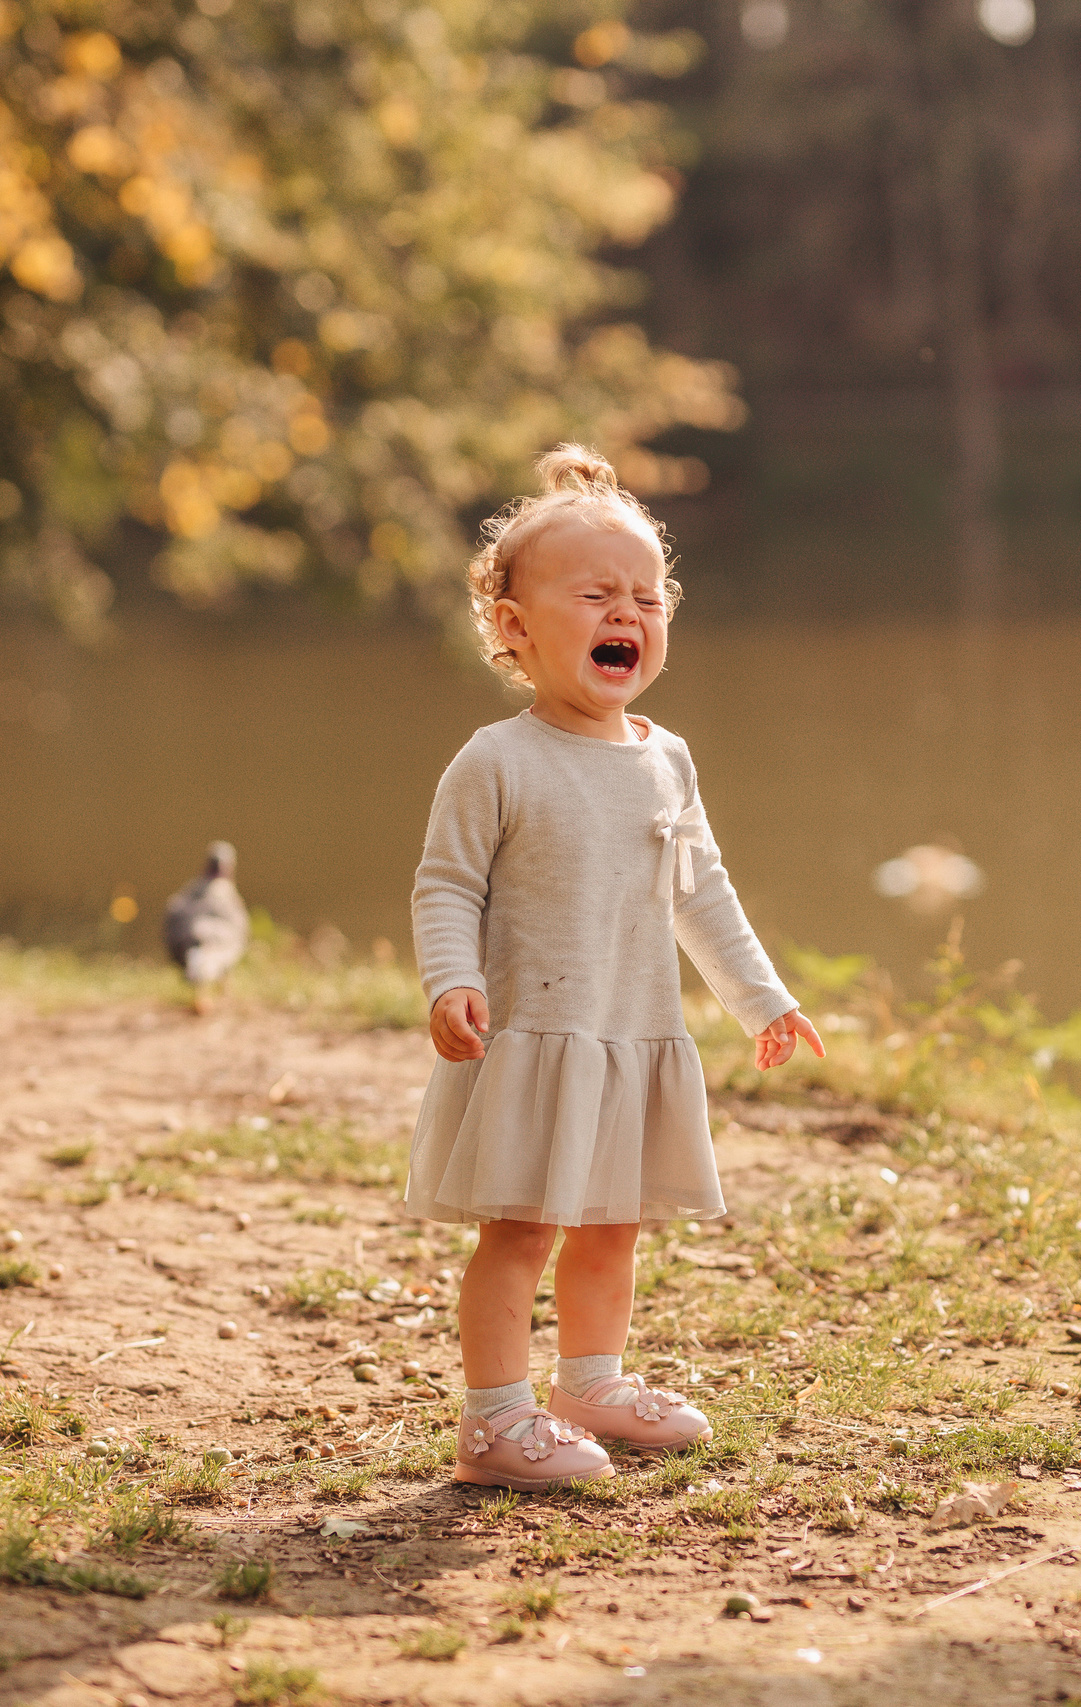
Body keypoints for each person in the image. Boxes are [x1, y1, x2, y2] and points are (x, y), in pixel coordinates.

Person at [407, 445, 823, 1491]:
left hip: (632, 1033)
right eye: (595, 595)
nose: (626, 613)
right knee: (522, 1231)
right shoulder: (497, 760)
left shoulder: (664, 758)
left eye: (646, 596)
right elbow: (445, 885)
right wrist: (451, 980)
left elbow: (700, 890)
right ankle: (494, 1420)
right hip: (533, 1039)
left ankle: (590, 1384)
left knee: (612, 1227)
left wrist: (761, 998)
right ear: (514, 626)